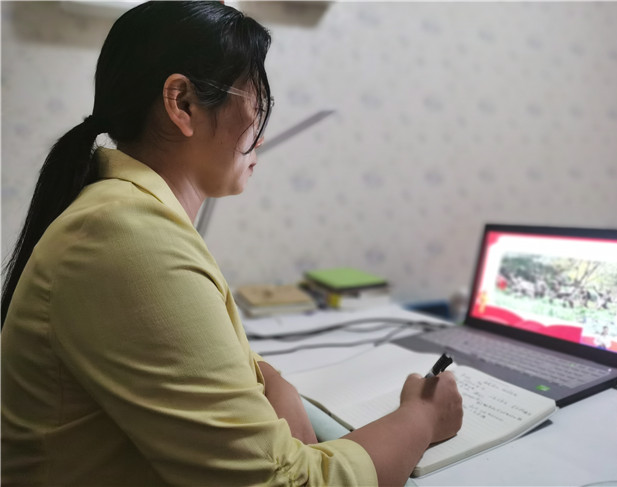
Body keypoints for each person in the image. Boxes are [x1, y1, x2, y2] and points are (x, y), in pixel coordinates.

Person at [0, 2, 463, 486]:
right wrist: (423, 417)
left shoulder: (123, 216)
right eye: (258, 106)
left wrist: (271, 379)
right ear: (182, 104)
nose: (260, 136)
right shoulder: (126, 236)